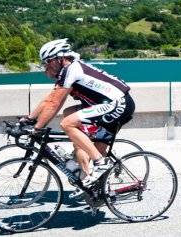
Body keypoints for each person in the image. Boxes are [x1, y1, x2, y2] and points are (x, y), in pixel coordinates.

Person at [23, 38, 135, 198]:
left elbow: (54, 104)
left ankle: (99, 162)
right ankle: (96, 191)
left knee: (67, 124)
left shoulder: (71, 70)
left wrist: (37, 128)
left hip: (117, 104)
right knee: (70, 115)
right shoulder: (66, 71)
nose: (46, 66)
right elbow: (49, 99)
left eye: (48, 61)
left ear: (60, 58)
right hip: (111, 104)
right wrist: (29, 118)